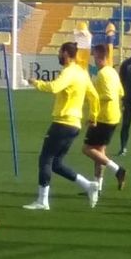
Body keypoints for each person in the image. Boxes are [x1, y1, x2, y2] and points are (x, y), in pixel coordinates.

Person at [24, 42, 99, 210]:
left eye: (59, 51)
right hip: (74, 125)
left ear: (65, 53)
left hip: (63, 122)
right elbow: (94, 96)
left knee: (45, 159)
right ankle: (88, 185)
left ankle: (43, 201)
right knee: (57, 164)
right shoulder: (82, 72)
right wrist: (93, 116)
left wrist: (35, 83)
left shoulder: (69, 72)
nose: (58, 55)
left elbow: (54, 87)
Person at [82, 43, 128, 192]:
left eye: (94, 55)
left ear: (97, 56)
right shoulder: (113, 72)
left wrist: (93, 96)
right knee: (99, 152)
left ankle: (117, 170)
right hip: (113, 116)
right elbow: (121, 93)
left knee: (87, 149)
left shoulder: (103, 74)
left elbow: (108, 96)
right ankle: (97, 186)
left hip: (104, 117)